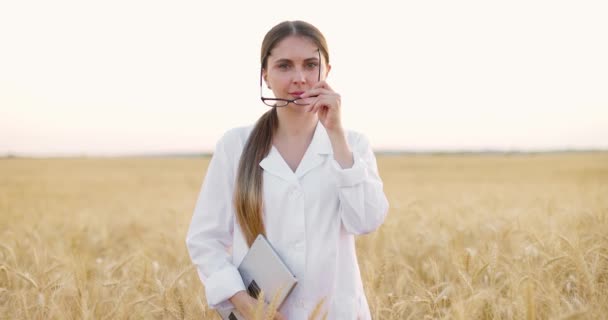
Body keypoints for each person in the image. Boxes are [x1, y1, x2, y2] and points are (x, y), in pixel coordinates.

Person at [186, 20, 389, 319]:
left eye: (310, 65)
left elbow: (367, 221)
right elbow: (205, 240)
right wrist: (245, 304)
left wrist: (336, 136)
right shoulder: (236, 145)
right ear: (265, 75)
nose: (299, 78)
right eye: (284, 66)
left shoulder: (352, 144)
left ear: (327, 72)